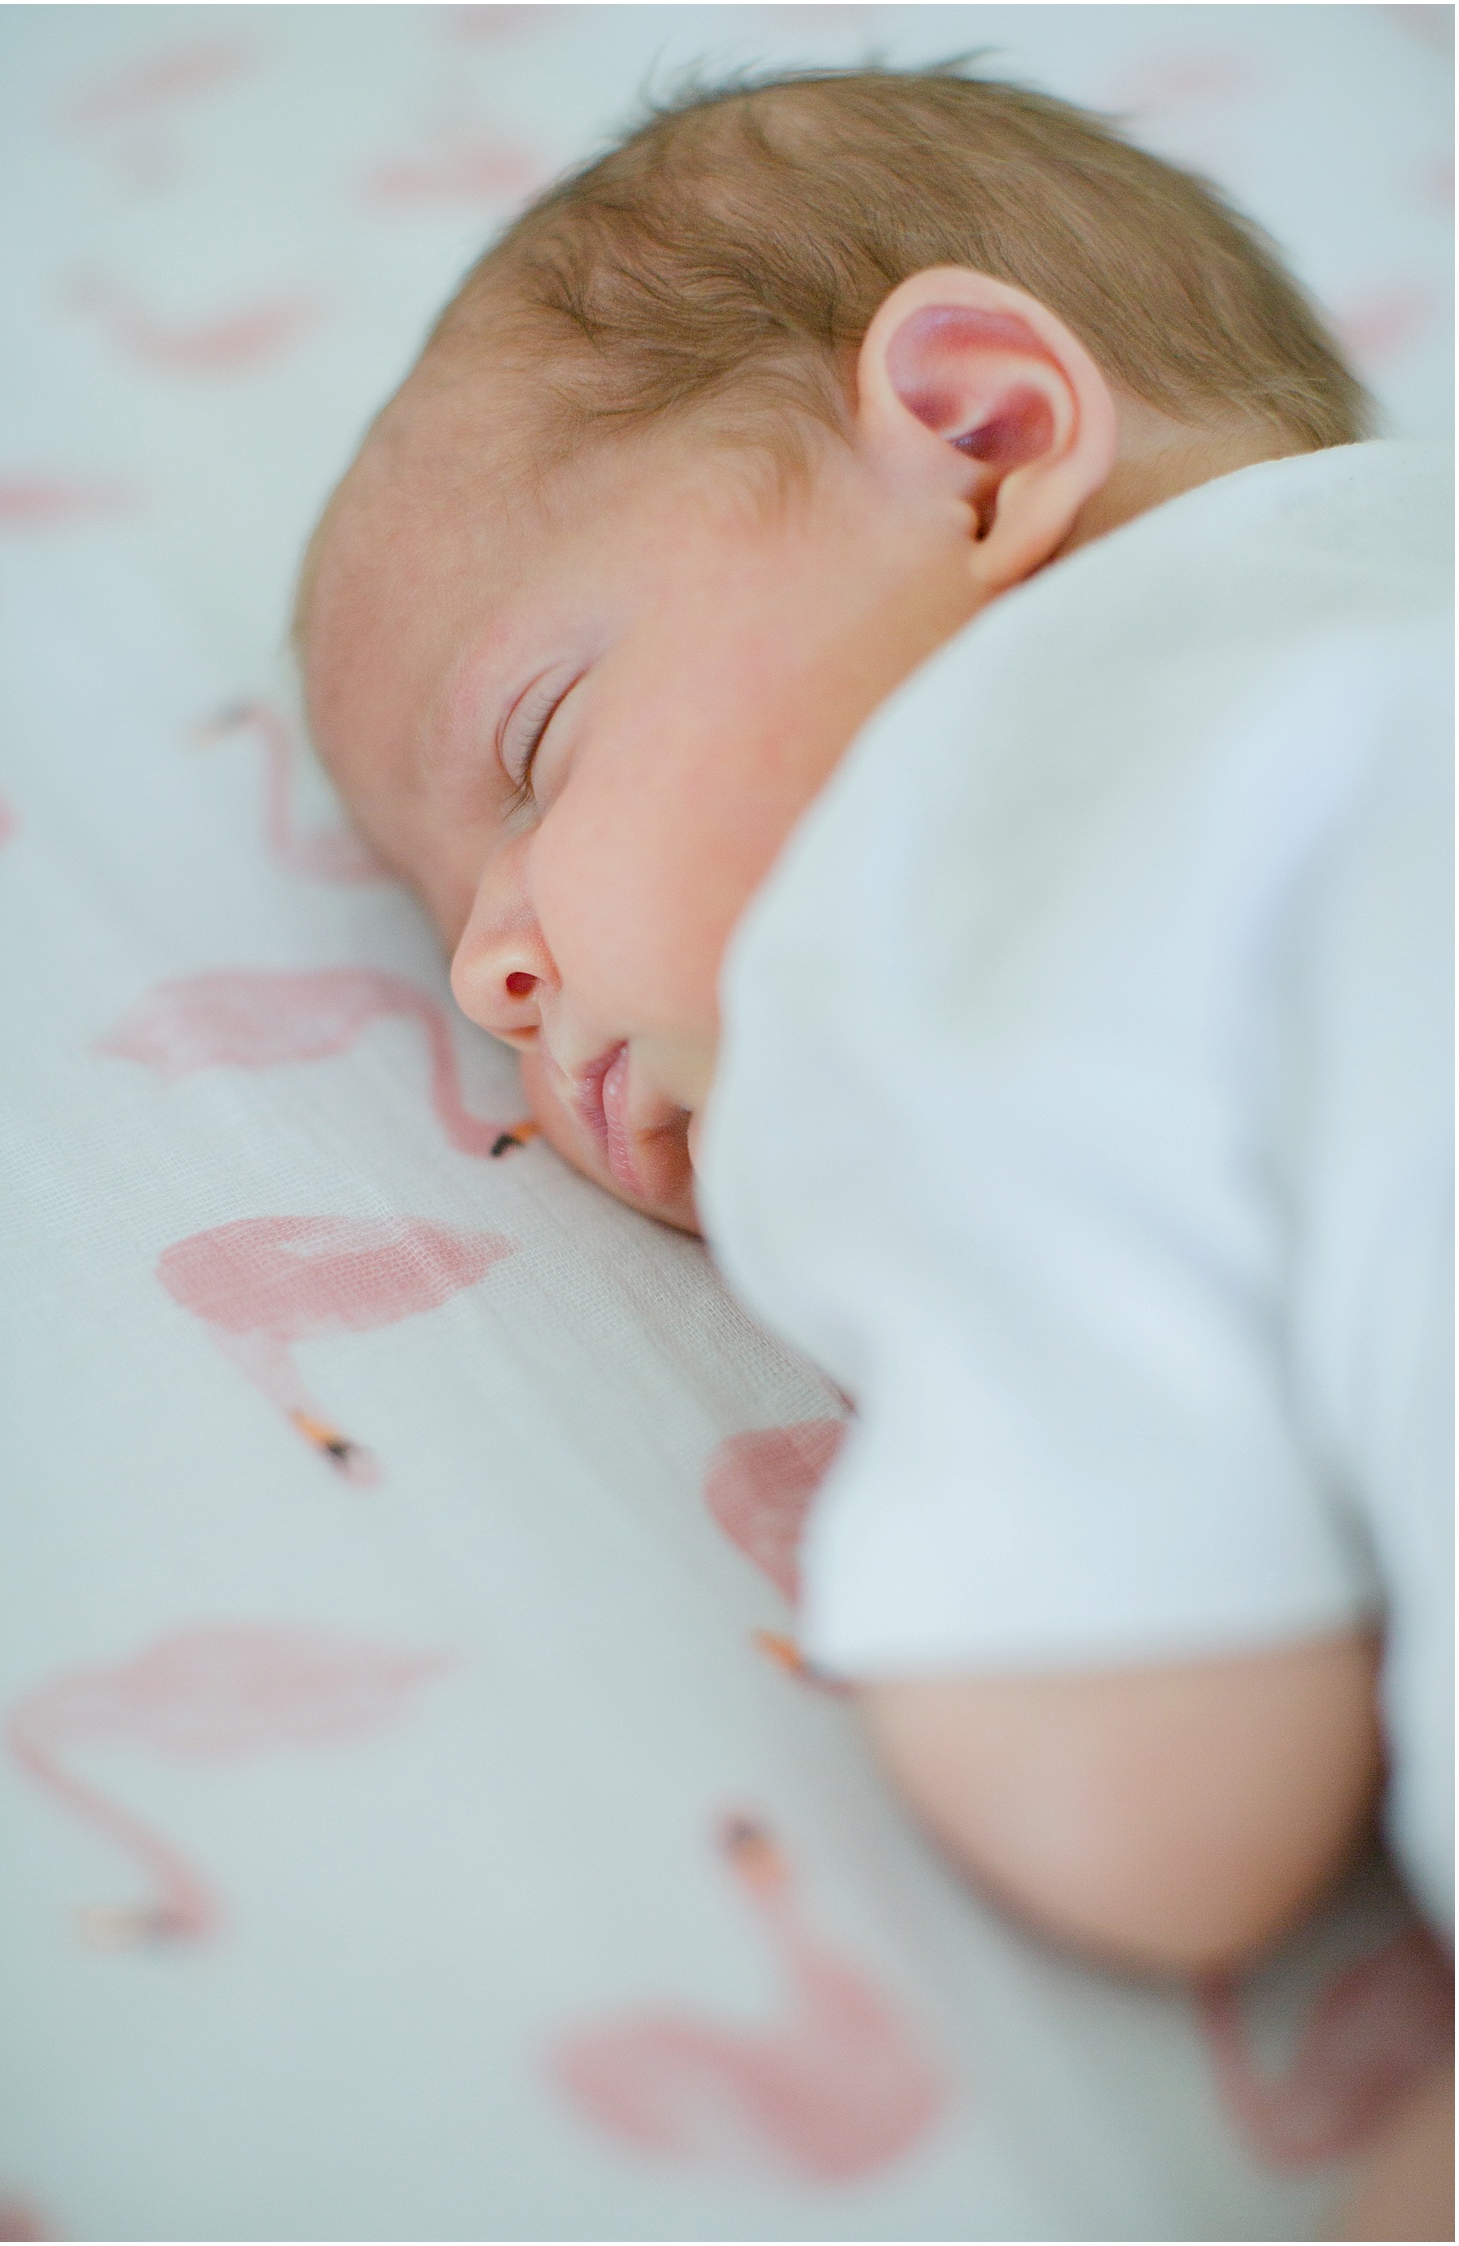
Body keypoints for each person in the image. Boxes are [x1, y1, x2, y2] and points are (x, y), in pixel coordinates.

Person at [297, 69, 1452, 2234]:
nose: (486, 979)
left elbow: (1156, 1796)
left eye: (534, 752)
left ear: (987, 441)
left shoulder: (935, 864)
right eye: (454, 908)